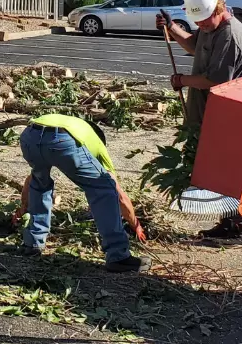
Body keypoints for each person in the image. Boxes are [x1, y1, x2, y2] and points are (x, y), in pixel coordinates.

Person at [156, 0, 242, 246]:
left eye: (203, 20)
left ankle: (241, 227)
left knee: (227, 169)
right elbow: (194, 46)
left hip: (228, 116)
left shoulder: (230, 35)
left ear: (217, 8)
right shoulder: (210, 28)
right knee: (214, 169)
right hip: (209, 114)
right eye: (197, 21)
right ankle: (228, 223)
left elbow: (216, 80)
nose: (200, 25)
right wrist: (172, 27)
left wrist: (182, 79)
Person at [15, 114, 150, 272]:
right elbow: (117, 193)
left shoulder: (76, 126)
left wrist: (23, 207)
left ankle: (32, 244)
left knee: (40, 183)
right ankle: (118, 256)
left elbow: (30, 182)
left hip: (29, 136)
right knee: (104, 190)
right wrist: (136, 224)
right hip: (61, 140)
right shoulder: (97, 146)